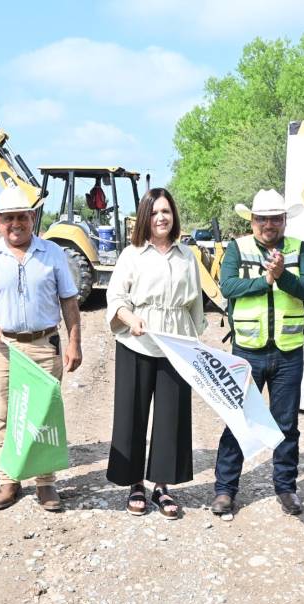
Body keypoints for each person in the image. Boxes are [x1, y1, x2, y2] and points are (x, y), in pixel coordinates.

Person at [0, 186, 82, 512]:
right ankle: (8, 480)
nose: (16, 223)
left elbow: (68, 300)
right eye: (9, 218)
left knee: (43, 414)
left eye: (22, 217)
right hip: (3, 349)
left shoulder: (53, 253)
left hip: (44, 345)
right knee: (4, 414)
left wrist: (74, 342)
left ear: (32, 218)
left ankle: (45, 483)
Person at [211, 189, 304, 517]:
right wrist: (266, 279)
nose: (268, 224)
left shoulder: (300, 249)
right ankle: (225, 490)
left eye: (275, 218)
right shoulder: (237, 248)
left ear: (285, 220)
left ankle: (286, 488)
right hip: (247, 351)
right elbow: (227, 288)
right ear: (252, 220)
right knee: (238, 420)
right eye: (262, 218)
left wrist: (283, 275)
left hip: (288, 353)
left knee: (286, 423)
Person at [106, 188, 206, 519]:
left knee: (171, 417)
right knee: (131, 413)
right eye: (154, 212)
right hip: (138, 341)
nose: (161, 217)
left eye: (166, 211)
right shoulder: (131, 254)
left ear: (173, 216)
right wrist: (130, 319)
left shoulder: (186, 255)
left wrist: (195, 342)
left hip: (176, 344)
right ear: (145, 217)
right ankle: (135, 483)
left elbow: (195, 303)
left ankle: (162, 485)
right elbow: (117, 297)